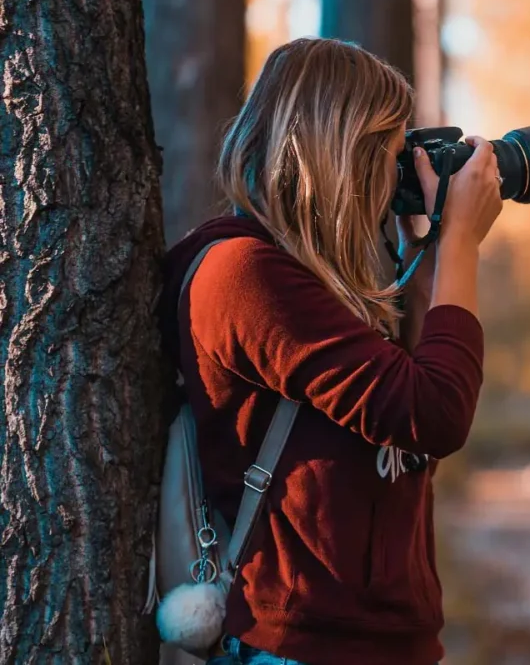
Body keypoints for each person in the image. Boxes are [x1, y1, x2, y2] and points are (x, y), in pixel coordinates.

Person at [159, 37, 502, 665]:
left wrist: (419, 246)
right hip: (300, 644)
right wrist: (459, 245)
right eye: (390, 155)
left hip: (368, 642)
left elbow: (407, 440)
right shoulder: (244, 275)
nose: (394, 175)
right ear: (345, 153)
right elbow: (436, 412)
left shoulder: (314, 283)